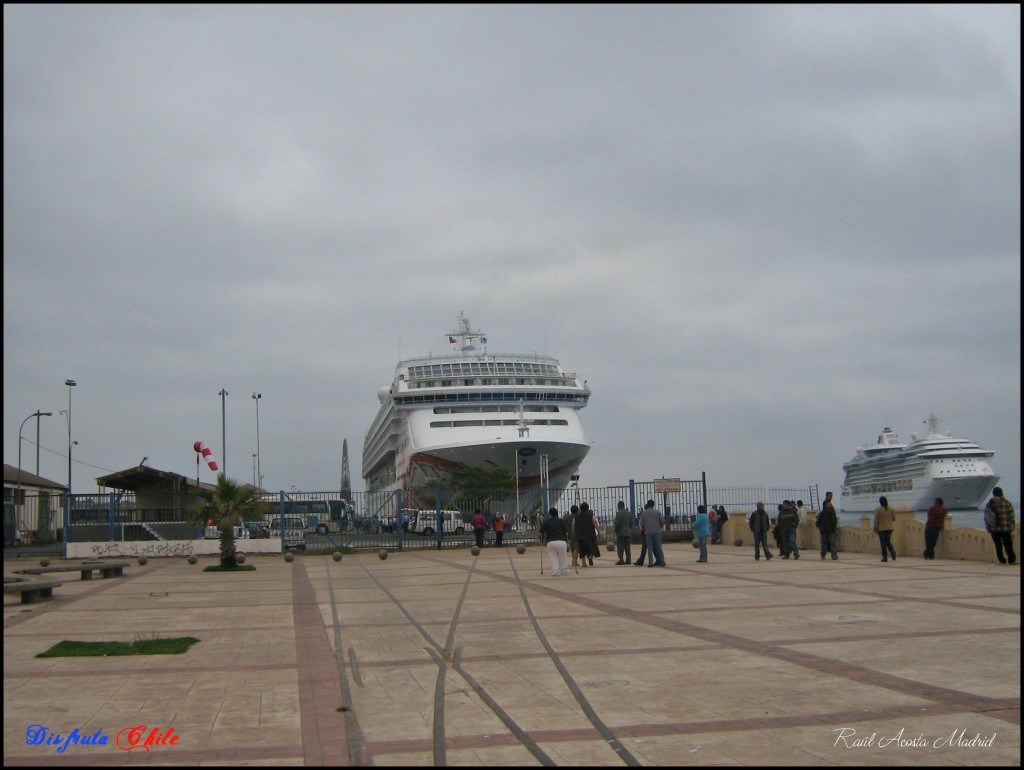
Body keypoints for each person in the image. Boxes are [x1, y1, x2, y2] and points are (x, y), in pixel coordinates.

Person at [984, 487, 1017, 565]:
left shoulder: (990, 503)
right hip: (1006, 528)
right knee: (1008, 544)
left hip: (994, 528)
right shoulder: (1007, 503)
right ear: (1001, 493)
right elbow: (1011, 515)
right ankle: (1011, 560)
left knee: (998, 545)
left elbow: (987, 516)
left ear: (994, 494)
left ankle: (1001, 560)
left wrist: (988, 527)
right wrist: (1012, 526)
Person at [540, 507, 570, 576]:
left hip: (550, 542)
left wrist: (541, 540)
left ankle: (555, 570)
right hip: (561, 541)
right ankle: (564, 569)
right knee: (563, 555)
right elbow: (566, 531)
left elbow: (541, 532)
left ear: (550, 514)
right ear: (557, 513)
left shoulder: (546, 522)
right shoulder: (561, 521)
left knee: (553, 556)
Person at [638, 499, 666, 567]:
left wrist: (645, 528)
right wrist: (660, 527)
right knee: (659, 547)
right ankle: (662, 562)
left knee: (650, 548)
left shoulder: (644, 513)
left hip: (648, 532)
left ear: (647, 504)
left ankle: (650, 563)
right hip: (657, 531)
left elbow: (642, 523)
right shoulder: (658, 512)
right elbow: (662, 521)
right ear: (653, 505)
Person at [573, 502, 601, 567]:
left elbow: (573, 524)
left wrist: (574, 531)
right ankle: (590, 555)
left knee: (582, 549)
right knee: (592, 546)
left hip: (580, 534)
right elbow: (595, 522)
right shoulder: (590, 514)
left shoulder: (577, 515)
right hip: (590, 534)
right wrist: (598, 530)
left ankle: (583, 563)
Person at [873, 496, 897, 562]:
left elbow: (876, 520)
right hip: (890, 528)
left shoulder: (878, 509)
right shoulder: (891, 509)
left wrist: (875, 528)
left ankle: (885, 557)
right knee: (888, 541)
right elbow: (894, 519)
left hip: (881, 529)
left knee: (883, 543)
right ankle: (892, 551)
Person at [817, 491, 839, 560]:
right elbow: (818, 523)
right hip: (824, 530)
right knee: (824, 544)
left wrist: (834, 527)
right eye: (829, 496)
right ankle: (823, 554)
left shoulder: (832, 513)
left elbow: (834, 520)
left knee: (833, 543)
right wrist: (821, 528)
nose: (830, 505)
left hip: (831, 530)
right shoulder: (822, 513)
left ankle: (834, 555)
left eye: (831, 496)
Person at [612, 500, 633, 565]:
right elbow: (631, 523)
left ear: (619, 506)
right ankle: (628, 560)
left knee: (620, 547)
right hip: (628, 531)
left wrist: (615, 530)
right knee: (627, 546)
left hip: (620, 532)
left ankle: (621, 560)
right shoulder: (629, 513)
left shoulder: (618, 513)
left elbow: (618, 523)